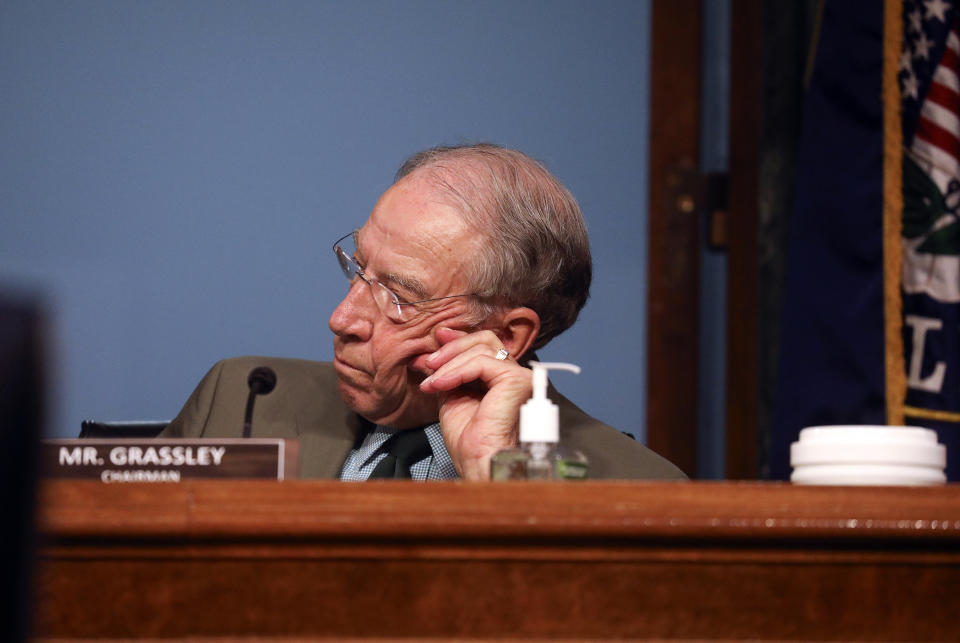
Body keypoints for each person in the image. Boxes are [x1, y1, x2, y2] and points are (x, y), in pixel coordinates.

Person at [162, 143, 685, 481]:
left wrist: (494, 478)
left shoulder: (637, 485)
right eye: (359, 268)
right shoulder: (242, 400)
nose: (342, 319)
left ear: (508, 333)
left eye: (401, 297)